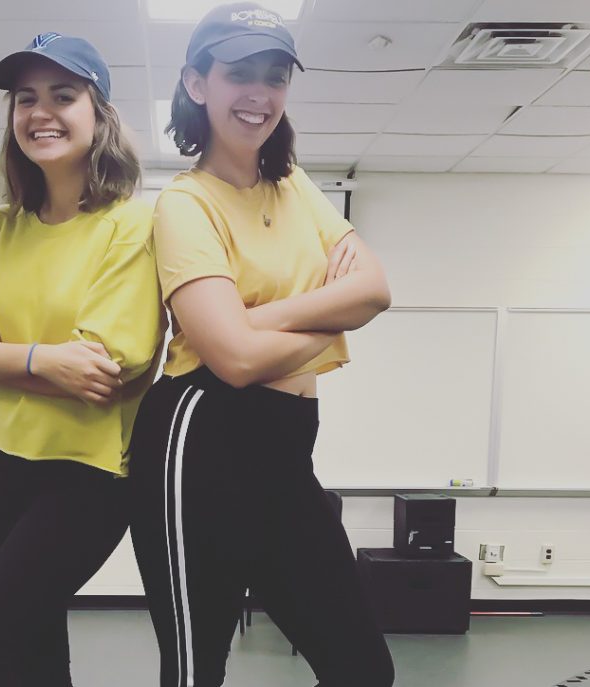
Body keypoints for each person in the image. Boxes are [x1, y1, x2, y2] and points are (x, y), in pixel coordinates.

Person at [127, 4, 396, 686]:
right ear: (196, 84)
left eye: (275, 76)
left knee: (363, 666)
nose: (260, 94)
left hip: (285, 446)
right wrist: (333, 320)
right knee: (196, 670)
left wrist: (264, 319)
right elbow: (234, 359)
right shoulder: (185, 204)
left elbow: (376, 289)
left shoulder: (295, 183)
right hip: (200, 438)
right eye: (239, 73)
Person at [0, 32, 165, 686]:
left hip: (87, 476)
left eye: (64, 95)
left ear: (100, 114)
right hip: (7, 462)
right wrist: (35, 358)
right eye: (24, 98)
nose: (41, 112)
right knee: (34, 656)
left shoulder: (130, 225)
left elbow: (102, 365)